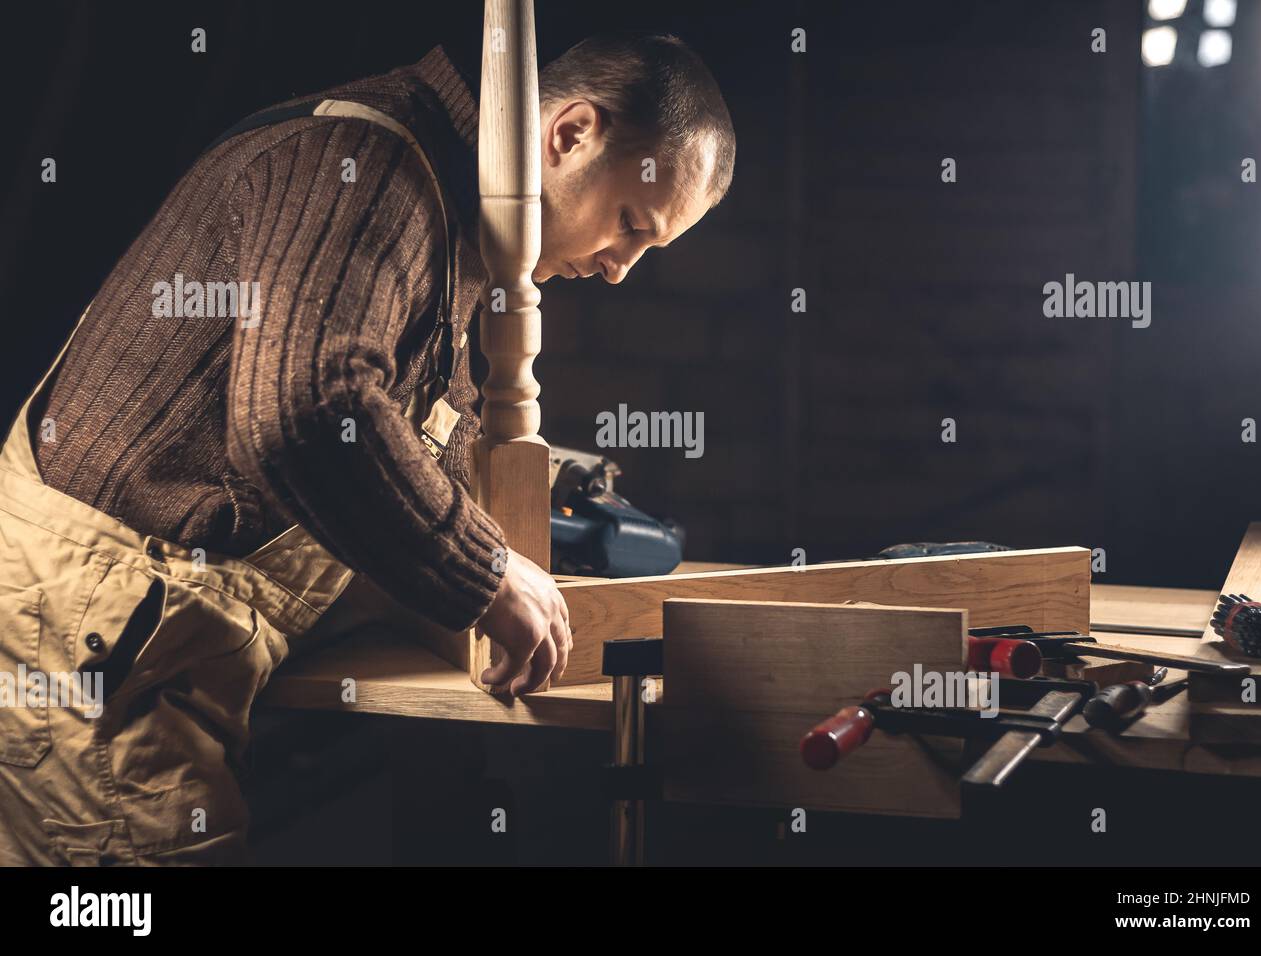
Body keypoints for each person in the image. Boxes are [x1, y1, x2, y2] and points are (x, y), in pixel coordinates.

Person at [0, 32, 735, 865]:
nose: (619, 270)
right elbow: (306, 410)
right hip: (97, 621)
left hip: (152, 610)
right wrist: (484, 572)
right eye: (631, 226)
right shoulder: (367, 163)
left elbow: (384, 421)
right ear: (571, 134)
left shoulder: (452, 214)